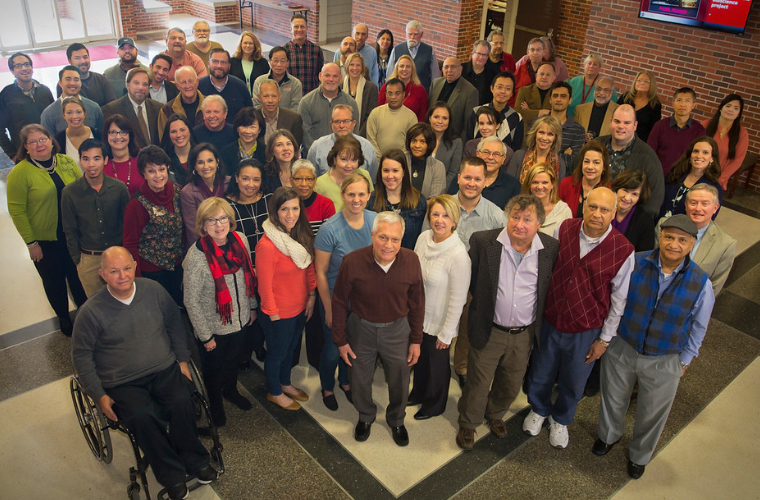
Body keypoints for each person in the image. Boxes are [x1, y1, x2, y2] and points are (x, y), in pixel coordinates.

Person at [71, 247, 217, 500]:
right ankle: (170, 474)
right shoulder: (90, 312)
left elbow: (174, 321)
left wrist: (183, 359)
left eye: (126, 268)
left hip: (163, 367)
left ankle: (195, 459)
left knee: (182, 401)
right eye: (114, 271)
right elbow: (81, 356)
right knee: (142, 416)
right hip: (122, 381)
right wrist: (98, 394)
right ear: (102, 274)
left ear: (135, 266)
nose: (122, 276)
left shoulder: (153, 290)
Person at [594, 214, 715, 480]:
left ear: (692, 244)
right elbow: (616, 301)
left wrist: (684, 361)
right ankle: (608, 436)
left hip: (665, 357)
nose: (674, 244)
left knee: (652, 413)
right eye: (669, 236)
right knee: (613, 398)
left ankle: (639, 456)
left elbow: (699, 326)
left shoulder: (701, 283)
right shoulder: (635, 262)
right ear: (660, 237)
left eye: (682, 240)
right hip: (624, 345)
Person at [523, 187, 634, 450]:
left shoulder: (623, 250)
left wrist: (604, 340)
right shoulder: (563, 229)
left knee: (574, 380)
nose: (597, 214)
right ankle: (538, 409)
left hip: (586, 330)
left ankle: (560, 419)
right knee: (541, 370)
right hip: (551, 319)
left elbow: (619, 301)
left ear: (614, 212)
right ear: (584, 205)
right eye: (593, 206)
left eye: (605, 209)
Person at [456, 194, 559, 451]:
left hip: (524, 333)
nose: (519, 224)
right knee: (478, 380)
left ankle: (495, 415)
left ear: (539, 224)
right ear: (507, 216)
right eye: (515, 216)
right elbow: (472, 281)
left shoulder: (550, 249)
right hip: (490, 328)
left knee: (511, 381)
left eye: (527, 219)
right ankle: (469, 422)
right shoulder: (483, 242)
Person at [332, 211, 425, 446]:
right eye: (383, 237)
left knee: (400, 379)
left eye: (395, 239)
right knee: (360, 378)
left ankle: (396, 419)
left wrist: (416, 339)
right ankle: (365, 415)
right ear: (372, 235)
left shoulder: (412, 260)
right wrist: (341, 340)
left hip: (397, 330)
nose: (388, 245)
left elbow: (417, 303)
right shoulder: (352, 261)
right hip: (361, 329)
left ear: (402, 240)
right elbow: (340, 301)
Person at [7, 124, 87, 336]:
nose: (39, 145)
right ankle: (63, 316)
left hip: (72, 235)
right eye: (32, 142)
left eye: (42, 139)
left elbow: (81, 191)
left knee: (78, 278)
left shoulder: (66, 162)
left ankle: (86, 315)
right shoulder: (20, 173)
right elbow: (16, 210)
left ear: (51, 140)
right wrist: (31, 243)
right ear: (25, 147)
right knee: (54, 282)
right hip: (45, 241)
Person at [183, 197, 256, 427]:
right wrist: (205, 336)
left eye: (223, 218)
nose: (219, 225)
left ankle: (231, 391)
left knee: (232, 362)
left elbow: (248, 277)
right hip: (214, 328)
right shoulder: (196, 257)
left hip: (240, 319)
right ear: (203, 225)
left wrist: (252, 306)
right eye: (211, 220)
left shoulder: (240, 240)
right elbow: (191, 301)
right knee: (213, 370)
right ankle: (215, 405)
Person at [314, 174, 375, 411]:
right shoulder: (329, 229)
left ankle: (346, 382)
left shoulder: (376, 221)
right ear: (342, 196)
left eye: (361, 194)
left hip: (363, 302)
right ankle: (327, 387)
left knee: (354, 349)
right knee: (332, 350)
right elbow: (320, 272)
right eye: (351, 194)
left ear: (369, 196)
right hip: (336, 300)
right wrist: (328, 308)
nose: (356, 199)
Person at [445, 157, 506, 387]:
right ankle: (432, 366)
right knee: (437, 324)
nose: (472, 183)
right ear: (459, 178)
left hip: (474, 283)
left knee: (466, 329)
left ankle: (461, 367)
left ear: (486, 181)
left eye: (477, 179)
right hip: (443, 281)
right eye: (467, 177)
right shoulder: (444, 206)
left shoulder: (496, 216)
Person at [256, 187, 317, 410]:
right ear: (274, 211)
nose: (290, 214)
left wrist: (311, 296)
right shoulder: (267, 245)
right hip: (279, 313)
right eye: (284, 209)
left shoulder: (299, 235)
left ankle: (285, 383)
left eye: (294, 208)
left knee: (290, 350)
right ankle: (274, 392)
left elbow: (308, 267)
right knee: (276, 354)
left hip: (299, 307)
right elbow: (264, 285)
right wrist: (273, 314)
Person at [411, 194, 470, 420]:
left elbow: (458, 299)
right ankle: (418, 393)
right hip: (419, 316)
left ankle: (435, 405)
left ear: (455, 221)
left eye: (446, 215)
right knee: (419, 359)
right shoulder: (424, 238)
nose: (439, 220)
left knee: (436, 366)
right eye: (435, 214)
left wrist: (447, 333)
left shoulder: (458, 255)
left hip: (439, 321)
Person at [62, 139, 130, 297]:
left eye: (96, 158)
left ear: (105, 160)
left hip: (118, 255)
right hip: (89, 259)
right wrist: (78, 261)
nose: (91, 164)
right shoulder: (70, 192)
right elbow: (69, 229)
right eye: (86, 159)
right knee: (97, 306)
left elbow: (127, 223)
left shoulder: (119, 188)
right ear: (80, 160)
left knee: (123, 300)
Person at [123, 146, 184, 305]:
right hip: (152, 272)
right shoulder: (136, 205)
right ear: (143, 173)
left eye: (161, 169)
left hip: (178, 265)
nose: (158, 175)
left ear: (167, 168)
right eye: (151, 171)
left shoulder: (178, 191)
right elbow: (130, 245)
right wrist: (138, 280)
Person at [225, 158, 271, 367]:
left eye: (256, 179)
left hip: (269, 268)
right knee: (245, 312)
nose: (250, 184)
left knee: (264, 311)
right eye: (245, 178)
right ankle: (243, 354)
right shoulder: (226, 205)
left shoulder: (269, 200)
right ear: (236, 178)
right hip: (240, 270)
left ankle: (259, 346)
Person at [656, 184, 736, 295]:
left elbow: (713, 287)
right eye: (693, 203)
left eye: (705, 204)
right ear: (686, 205)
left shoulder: (726, 244)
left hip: (689, 303)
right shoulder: (664, 225)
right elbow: (653, 263)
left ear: (715, 208)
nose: (698, 209)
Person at [597, 104, 665, 218]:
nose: (621, 126)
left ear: (635, 125)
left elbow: (653, 202)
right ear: (610, 122)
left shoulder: (648, 158)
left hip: (625, 224)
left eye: (627, 123)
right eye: (617, 121)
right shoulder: (595, 146)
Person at [0, 52, 55, 159]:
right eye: (18, 66)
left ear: (32, 67)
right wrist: (13, 155)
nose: (24, 68)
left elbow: (53, 120)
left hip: (48, 150)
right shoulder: (6, 95)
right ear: (12, 71)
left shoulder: (44, 91)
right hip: (24, 154)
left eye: (27, 64)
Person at [370, 149, 427, 249]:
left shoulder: (418, 201)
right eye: (386, 170)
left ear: (404, 172)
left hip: (407, 260)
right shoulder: (370, 199)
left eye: (395, 170)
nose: (390, 176)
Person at [298, 62, 360, 154]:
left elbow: (354, 132)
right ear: (320, 76)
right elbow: (305, 135)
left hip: (343, 156)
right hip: (314, 156)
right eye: (327, 75)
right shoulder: (306, 102)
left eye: (335, 76)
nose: (331, 79)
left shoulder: (350, 103)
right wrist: (318, 154)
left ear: (340, 78)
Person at [451, 136, 521, 211]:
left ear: (503, 158)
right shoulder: (463, 179)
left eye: (496, 154)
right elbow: (450, 205)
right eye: (486, 152)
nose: (490, 157)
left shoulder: (513, 185)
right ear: (477, 154)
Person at [647, 87, 705, 177]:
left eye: (687, 101)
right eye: (679, 100)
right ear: (673, 103)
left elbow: (699, 157)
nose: (683, 104)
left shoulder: (699, 130)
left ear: (693, 105)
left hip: (684, 177)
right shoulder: (660, 126)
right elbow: (650, 152)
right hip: (659, 175)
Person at [181, 143, 231, 248]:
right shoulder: (188, 192)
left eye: (210, 160)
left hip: (231, 241)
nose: (206, 166)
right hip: (204, 248)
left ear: (217, 161)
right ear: (194, 166)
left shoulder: (230, 183)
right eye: (200, 162)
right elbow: (193, 230)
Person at [308, 105, 378, 178]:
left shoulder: (367, 148)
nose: (341, 126)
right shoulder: (317, 148)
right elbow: (310, 180)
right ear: (331, 124)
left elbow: (373, 181)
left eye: (346, 121)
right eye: (337, 122)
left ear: (354, 123)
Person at [661, 136, 723, 219]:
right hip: (658, 223)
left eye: (705, 152)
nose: (699, 156)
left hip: (685, 230)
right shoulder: (675, 174)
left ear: (712, 158)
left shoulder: (714, 188)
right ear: (690, 155)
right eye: (696, 151)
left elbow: (707, 219)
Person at [101, 67, 162, 148]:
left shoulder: (158, 108)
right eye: (136, 83)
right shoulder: (112, 109)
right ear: (127, 84)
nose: (141, 87)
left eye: (145, 84)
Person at [465, 72, 524, 152]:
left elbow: (515, 149)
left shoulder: (516, 117)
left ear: (511, 94)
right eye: (499, 87)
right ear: (492, 88)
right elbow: (468, 140)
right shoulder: (477, 112)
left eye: (508, 89)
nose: (503, 91)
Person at [702, 93, 748, 190]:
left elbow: (738, 160)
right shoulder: (705, 125)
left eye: (736, 108)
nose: (731, 110)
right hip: (696, 174)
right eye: (728, 106)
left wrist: (720, 179)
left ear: (739, 113)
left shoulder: (741, 133)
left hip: (717, 180)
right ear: (721, 108)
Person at [315, 135, 374, 210]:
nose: (349, 165)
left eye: (353, 160)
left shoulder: (364, 175)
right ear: (334, 159)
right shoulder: (320, 185)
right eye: (344, 159)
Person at [41, 65, 103, 136]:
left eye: (76, 79)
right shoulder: (49, 113)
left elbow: (100, 136)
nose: (72, 83)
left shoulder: (94, 108)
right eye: (68, 79)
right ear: (60, 83)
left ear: (80, 82)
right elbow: (49, 142)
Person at [198, 49, 254, 125]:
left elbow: (250, 114)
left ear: (229, 66)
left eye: (223, 62)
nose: (219, 65)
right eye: (215, 61)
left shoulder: (240, 86)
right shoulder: (199, 86)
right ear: (208, 64)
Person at [367, 78, 418, 161]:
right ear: (386, 94)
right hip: (377, 162)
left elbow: (410, 142)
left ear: (403, 94)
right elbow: (371, 139)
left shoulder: (411, 117)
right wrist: (380, 160)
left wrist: (398, 160)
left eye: (397, 93)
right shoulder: (375, 113)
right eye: (390, 93)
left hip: (402, 162)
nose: (393, 97)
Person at [428, 57, 479, 140]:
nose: (449, 70)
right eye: (446, 67)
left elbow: (468, 125)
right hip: (431, 136)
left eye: (453, 67)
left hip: (452, 139)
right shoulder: (436, 83)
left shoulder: (470, 92)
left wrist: (458, 144)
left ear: (460, 69)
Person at [506, 115, 566, 184]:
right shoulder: (518, 156)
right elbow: (509, 185)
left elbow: (558, 191)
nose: (544, 138)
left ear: (555, 138)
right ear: (535, 134)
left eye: (550, 134)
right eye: (541, 132)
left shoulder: (560, 163)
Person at [558, 140, 611, 217]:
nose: (590, 167)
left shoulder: (609, 190)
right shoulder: (566, 183)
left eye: (596, 162)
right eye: (586, 161)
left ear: (604, 167)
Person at [386, 20, 441, 92]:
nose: (412, 37)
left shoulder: (429, 51)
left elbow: (435, 77)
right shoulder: (396, 49)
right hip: (400, 93)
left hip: (421, 94)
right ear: (406, 34)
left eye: (415, 34)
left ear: (421, 35)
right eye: (410, 34)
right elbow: (390, 74)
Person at [610, 169, 654, 252]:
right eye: (625, 190)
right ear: (617, 189)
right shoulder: (603, 209)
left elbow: (643, 255)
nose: (627, 198)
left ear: (639, 197)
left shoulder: (645, 221)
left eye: (634, 194)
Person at [521, 163, 572, 235]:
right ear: (529, 184)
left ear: (552, 185)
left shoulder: (564, 211)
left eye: (544, 182)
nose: (540, 187)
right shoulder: (519, 208)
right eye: (535, 182)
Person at [102, 114, 144, 197]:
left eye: (123, 132)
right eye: (113, 132)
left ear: (130, 135)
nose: (118, 137)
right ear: (106, 135)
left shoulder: (143, 157)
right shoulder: (100, 160)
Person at [157, 66, 205, 138]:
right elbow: (164, 141)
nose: (187, 86)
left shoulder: (210, 105)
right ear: (177, 86)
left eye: (190, 81)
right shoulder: (167, 110)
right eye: (183, 82)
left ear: (197, 82)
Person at [252, 46, 303, 112]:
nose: (279, 64)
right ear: (270, 61)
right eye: (275, 60)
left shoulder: (295, 84)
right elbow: (257, 106)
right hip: (263, 120)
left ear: (288, 63)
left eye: (283, 61)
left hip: (288, 121)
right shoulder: (259, 81)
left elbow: (296, 108)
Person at [378, 55, 428, 122]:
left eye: (408, 66)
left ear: (412, 70)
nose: (404, 69)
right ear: (397, 68)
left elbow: (422, 116)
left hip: (411, 129)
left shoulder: (420, 90)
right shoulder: (386, 87)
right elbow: (378, 110)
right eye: (401, 66)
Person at [549, 81, 586, 169]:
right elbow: (532, 154)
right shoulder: (538, 124)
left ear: (570, 100)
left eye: (563, 96)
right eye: (555, 96)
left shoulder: (578, 131)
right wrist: (563, 156)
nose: (558, 99)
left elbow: (574, 163)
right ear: (550, 100)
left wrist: (545, 154)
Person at [404, 123, 447, 199]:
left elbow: (435, 199)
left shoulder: (438, 166)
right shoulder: (400, 160)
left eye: (422, 142)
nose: (417, 145)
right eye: (414, 141)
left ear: (429, 144)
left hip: (428, 210)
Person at [293, 159, 336, 234]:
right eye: (298, 179)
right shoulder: (284, 204)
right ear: (291, 180)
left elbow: (330, 238)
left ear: (315, 180)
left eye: (309, 179)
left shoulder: (326, 204)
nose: (304, 184)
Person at [617, 70, 662, 142]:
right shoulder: (626, 97)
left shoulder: (655, 104)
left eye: (646, 81)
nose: (642, 83)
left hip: (639, 142)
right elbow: (615, 116)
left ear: (651, 85)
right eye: (639, 80)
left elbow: (653, 130)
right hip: (619, 136)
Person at [284, 14, 324, 94]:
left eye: (302, 26)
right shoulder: (285, 50)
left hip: (311, 96)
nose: (299, 29)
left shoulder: (316, 50)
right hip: (291, 96)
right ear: (291, 29)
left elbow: (320, 74)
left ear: (307, 29)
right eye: (296, 27)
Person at [56, 97, 101, 168]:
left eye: (78, 112)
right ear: (64, 115)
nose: (74, 116)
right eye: (69, 113)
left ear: (84, 113)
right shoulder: (58, 140)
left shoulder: (98, 135)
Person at [427, 102, 464, 184]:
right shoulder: (421, 138)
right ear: (430, 118)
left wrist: (440, 192)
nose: (440, 121)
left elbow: (453, 173)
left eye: (444, 118)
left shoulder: (456, 142)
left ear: (449, 121)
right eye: (436, 117)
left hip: (443, 190)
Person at [258, 79, 304, 146]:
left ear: (279, 97)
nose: (270, 100)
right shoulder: (253, 117)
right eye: (266, 96)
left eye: (274, 96)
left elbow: (295, 147)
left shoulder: (294, 119)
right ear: (259, 97)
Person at [221, 107, 267, 174]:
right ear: (237, 128)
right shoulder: (226, 152)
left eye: (252, 127)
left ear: (259, 129)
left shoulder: (266, 152)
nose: (248, 131)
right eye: (244, 126)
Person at [343, 53, 379, 138]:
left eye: (358, 65)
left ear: (362, 67)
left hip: (363, 136)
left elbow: (370, 116)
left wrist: (358, 136)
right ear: (347, 66)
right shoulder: (339, 87)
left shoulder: (371, 88)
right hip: (342, 135)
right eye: (352, 64)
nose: (355, 68)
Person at [566, 53, 612, 119]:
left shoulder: (605, 86)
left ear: (600, 67)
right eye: (589, 63)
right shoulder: (573, 82)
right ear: (584, 65)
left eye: (595, 64)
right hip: (569, 119)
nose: (591, 66)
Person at [574, 76, 618, 141]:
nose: (601, 93)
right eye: (598, 89)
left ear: (612, 93)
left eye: (606, 90)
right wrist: (582, 136)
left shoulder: (618, 111)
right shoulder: (579, 109)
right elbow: (574, 133)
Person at [160, 114, 197, 187]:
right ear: (168, 135)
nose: (178, 135)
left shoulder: (202, 154)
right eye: (173, 132)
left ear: (190, 131)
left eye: (182, 130)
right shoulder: (163, 160)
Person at [230, 31, 270, 96]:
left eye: (250, 43)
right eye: (245, 43)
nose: (248, 46)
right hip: (237, 98)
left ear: (255, 45)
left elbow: (268, 82)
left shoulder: (263, 62)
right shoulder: (232, 62)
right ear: (241, 44)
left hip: (258, 100)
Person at [512, 38, 544, 108]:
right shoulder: (521, 68)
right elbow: (513, 88)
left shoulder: (548, 70)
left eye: (538, 50)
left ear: (543, 52)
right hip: (519, 106)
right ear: (527, 52)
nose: (535, 53)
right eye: (532, 50)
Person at [462, 40, 497, 105]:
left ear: (487, 56)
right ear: (473, 54)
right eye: (479, 53)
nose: (481, 57)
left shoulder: (493, 75)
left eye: (484, 55)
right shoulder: (461, 70)